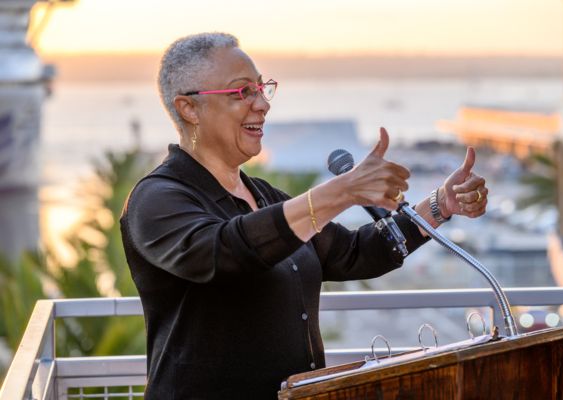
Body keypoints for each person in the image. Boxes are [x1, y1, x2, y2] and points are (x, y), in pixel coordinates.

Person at [120, 32, 488, 399]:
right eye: (242, 92)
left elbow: (354, 252)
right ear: (189, 108)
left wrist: (440, 205)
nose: (262, 104)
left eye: (262, 89)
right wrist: (339, 191)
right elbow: (224, 251)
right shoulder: (156, 200)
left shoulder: (262, 195)